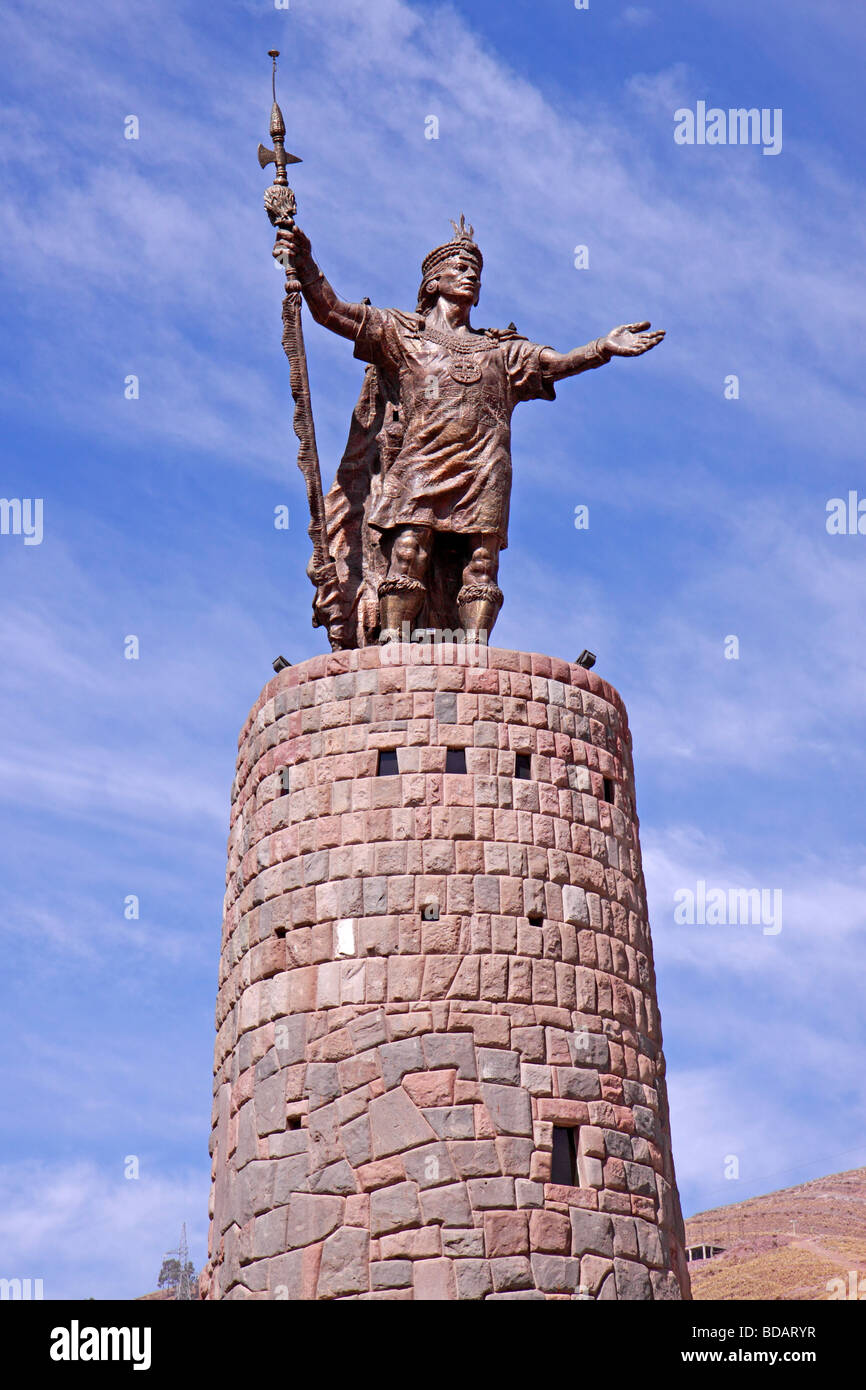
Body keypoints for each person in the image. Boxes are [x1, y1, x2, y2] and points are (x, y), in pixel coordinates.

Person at [273, 215, 663, 645]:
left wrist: (601, 349)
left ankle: (475, 648)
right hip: (422, 461)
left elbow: (554, 363)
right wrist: (306, 264)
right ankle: (395, 643)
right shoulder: (403, 334)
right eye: (459, 268)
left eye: (475, 271)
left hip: (485, 466)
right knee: (408, 549)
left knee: (482, 560)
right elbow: (333, 312)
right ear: (433, 283)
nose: (470, 276)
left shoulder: (500, 349)